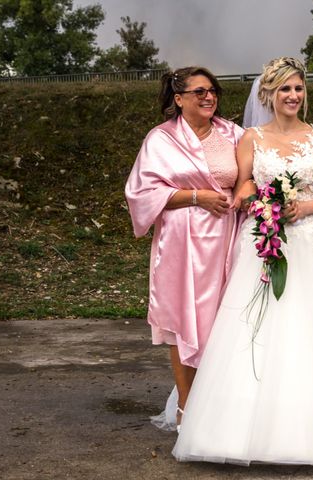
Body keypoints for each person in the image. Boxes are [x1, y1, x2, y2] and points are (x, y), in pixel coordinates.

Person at [172, 57, 313, 465]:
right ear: (268, 95)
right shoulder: (251, 138)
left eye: (298, 89)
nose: (293, 96)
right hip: (263, 241)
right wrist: (255, 198)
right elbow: (245, 182)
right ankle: (236, 432)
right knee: (253, 332)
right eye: (284, 90)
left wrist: (307, 207)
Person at [124, 66, 244, 431]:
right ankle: (186, 406)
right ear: (179, 99)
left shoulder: (234, 134)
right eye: (199, 92)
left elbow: (252, 175)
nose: (209, 97)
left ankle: (224, 402)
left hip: (227, 236)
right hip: (182, 241)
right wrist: (196, 196)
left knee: (227, 319)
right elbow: (140, 192)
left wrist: (242, 195)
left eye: (213, 90)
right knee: (183, 320)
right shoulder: (160, 139)